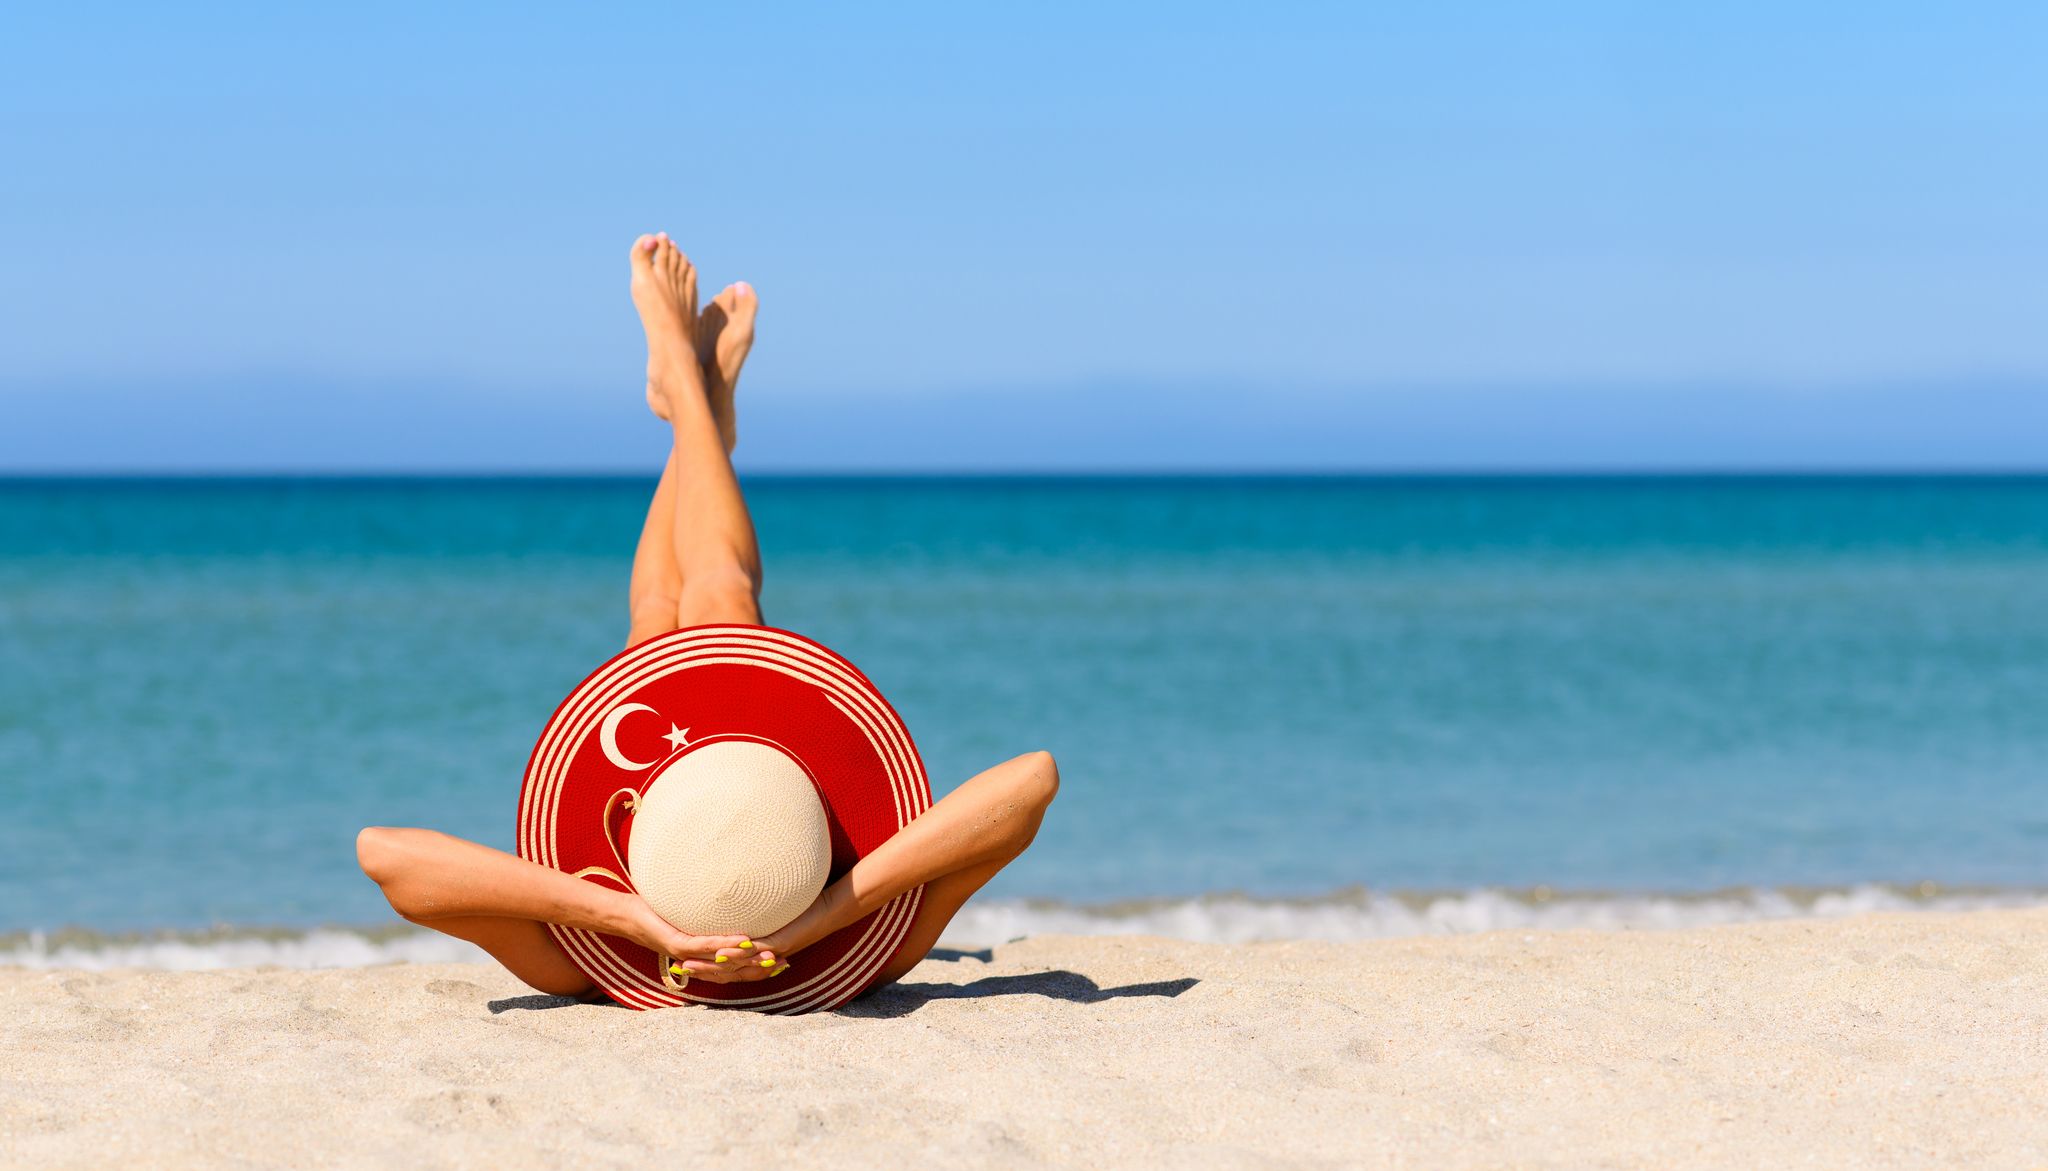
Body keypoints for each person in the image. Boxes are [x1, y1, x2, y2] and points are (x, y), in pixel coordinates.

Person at [355, 234, 1058, 1000]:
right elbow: (1031, 781)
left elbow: (385, 852)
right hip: (761, 836)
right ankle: (694, 401)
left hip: (653, 848)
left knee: (665, 612)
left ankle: (690, 394)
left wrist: (630, 920)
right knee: (720, 595)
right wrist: (822, 918)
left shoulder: (581, 965)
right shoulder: (868, 953)